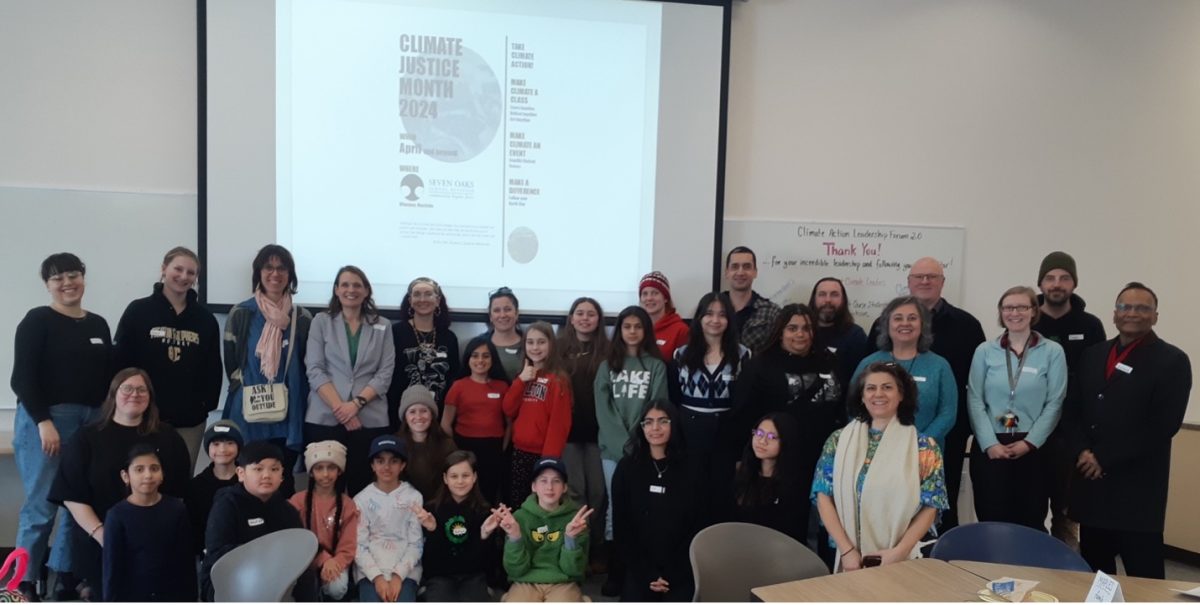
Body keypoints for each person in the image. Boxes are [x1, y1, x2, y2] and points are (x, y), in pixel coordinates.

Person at [1066, 282, 1192, 579]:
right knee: (1096, 573)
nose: (1132, 313)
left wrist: (1103, 458)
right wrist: (1083, 451)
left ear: (1155, 316)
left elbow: (1163, 425)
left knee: (1144, 576)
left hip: (1137, 491)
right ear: (1114, 314)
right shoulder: (1093, 355)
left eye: (1142, 308)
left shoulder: (1172, 361)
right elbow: (1072, 411)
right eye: (1125, 307)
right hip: (1092, 487)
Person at [10, 252, 113, 600]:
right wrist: (44, 422)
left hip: (91, 421)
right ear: (47, 285)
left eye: (73, 275)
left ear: (84, 276)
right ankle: (19, 585)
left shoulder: (99, 324)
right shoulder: (37, 320)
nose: (67, 283)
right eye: (58, 278)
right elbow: (22, 379)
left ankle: (64, 578)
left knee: (78, 504)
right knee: (41, 507)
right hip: (48, 421)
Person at [49, 368, 191, 599]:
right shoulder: (86, 437)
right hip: (100, 543)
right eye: (127, 388)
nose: (134, 394)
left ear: (150, 397)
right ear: (113, 394)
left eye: (141, 389)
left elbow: (178, 493)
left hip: (156, 547)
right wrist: (104, 536)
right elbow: (72, 495)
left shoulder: (168, 437)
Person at [865, 256, 984, 531]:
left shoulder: (966, 328)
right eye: (919, 277)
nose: (925, 281)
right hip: (879, 449)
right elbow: (859, 400)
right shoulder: (873, 354)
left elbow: (955, 402)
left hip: (936, 449)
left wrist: (919, 443)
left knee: (935, 516)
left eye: (932, 277)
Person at [812, 362, 948, 572]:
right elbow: (823, 497)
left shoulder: (924, 448)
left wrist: (900, 551)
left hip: (904, 559)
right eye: (871, 388)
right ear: (862, 396)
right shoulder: (838, 441)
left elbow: (932, 505)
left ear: (901, 395)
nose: (878, 394)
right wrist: (847, 551)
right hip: (851, 559)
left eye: (887, 387)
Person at [967, 286, 1066, 531]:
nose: (1015, 313)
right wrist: (989, 443)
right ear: (1001, 313)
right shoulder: (985, 351)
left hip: (1033, 448)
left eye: (1022, 307)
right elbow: (975, 399)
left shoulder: (1052, 352)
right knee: (991, 520)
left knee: (1030, 521)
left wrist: (1030, 442)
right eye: (1008, 307)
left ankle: (1026, 570)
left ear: (1033, 311)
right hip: (992, 447)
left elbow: (1055, 401)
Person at [113, 246, 222, 469]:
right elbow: (121, 361)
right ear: (164, 269)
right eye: (178, 269)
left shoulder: (205, 319)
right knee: (141, 477)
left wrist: (204, 405)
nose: (183, 277)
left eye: (191, 273)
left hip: (189, 421)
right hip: (143, 416)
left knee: (181, 479)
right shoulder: (138, 311)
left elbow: (212, 367)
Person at [222, 244, 312, 497]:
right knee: (248, 480)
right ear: (258, 273)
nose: (275, 273)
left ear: (290, 275)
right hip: (250, 411)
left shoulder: (302, 317)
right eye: (268, 267)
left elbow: (307, 364)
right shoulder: (241, 313)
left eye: (282, 268)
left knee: (282, 484)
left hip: (289, 412)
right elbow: (232, 362)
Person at [1032, 252, 1106, 548]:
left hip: (1073, 434)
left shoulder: (1090, 325)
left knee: (1067, 513)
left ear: (1074, 284)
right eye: (1050, 278)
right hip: (1034, 432)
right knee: (1032, 508)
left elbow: (1099, 379)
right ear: (1040, 283)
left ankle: (1066, 577)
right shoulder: (1027, 320)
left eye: (1064, 278)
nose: (1056, 284)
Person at [595, 305, 669, 595]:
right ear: (620, 331)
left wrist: (639, 440)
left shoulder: (656, 366)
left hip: (645, 448)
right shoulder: (607, 366)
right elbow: (604, 409)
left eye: (638, 326)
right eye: (627, 326)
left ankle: (640, 570)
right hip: (613, 451)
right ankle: (616, 570)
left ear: (646, 330)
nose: (633, 331)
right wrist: (622, 442)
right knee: (616, 508)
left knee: (644, 508)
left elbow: (657, 407)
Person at [306, 265, 396, 495]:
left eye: (357, 285)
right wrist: (341, 409)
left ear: (366, 291)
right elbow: (315, 369)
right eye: (345, 284)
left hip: (369, 419)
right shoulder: (321, 322)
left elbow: (385, 373)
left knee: (363, 489)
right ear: (336, 290)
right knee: (326, 488)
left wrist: (355, 405)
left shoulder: (383, 325)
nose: (351, 290)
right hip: (325, 417)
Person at [736, 305, 843, 496]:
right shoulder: (760, 366)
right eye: (792, 328)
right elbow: (743, 415)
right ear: (780, 333)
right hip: (777, 462)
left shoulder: (830, 360)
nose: (800, 334)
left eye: (806, 328)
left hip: (824, 456)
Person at [611, 400, 704, 602]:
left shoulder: (693, 469)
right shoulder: (626, 468)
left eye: (663, 421)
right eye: (649, 422)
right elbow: (622, 528)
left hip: (681, 569)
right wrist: (646, 573)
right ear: (641, 427)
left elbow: (698, 525)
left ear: (675, 425)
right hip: (641, 569)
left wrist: (674, 572)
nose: (655, 428)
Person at [200, 440, 313, 602]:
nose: (266, 475)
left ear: (282, 475)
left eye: (274, 469)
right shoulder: (226, 505)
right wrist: (265, 556)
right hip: (231, 582)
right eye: (258, 469)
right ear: (241, 473)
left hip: (276, 583)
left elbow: (300, 556)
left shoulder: (287, 510)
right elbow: (217, 554)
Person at [672, 292, 751, 515]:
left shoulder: (743, 355)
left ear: (729, 320)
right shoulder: (681, 355)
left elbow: (743, 406)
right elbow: (675, 399)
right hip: (690, 434)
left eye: (722, 315)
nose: (715, 320)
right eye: (709, 314)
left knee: (721, 499)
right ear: (699, 318)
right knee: (691, 498)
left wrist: (740, 453)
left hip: (726, 435)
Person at [851, 296, 957, 447]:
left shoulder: (939, 365)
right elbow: (853, 406)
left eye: (912, 318)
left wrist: (919, 441)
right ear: (887, 324)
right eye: (898, 318)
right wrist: (874, 439)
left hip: (924, 451)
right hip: (874, 448)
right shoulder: (868, 364)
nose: (905, 323)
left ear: (922, 324)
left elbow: (948, 413)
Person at [102, 443, 197, 602]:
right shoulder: (116, 515)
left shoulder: (177, 509)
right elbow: (112, 568)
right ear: (126, 476)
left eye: (154, 469)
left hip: (171, 595)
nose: (148, 475)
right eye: (139, 469)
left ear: (162, 475)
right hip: (132, 595)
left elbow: (186, 563)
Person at [555, 297, 609, 569]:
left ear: (599, 319)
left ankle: (597, 546)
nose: (585, 318)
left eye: (591, 314)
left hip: (600, 434)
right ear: (571, 318)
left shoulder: (609, 350)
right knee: (575, 492)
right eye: (580, 313)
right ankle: (579, 548)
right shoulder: (559, 349)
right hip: (569, 434)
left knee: (598, 493)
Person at [496, 458, 592, 602]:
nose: (549, 487)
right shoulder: (519, 517)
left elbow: (575, 571)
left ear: (565, 487)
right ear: (533, 486)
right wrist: (515, 537)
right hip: (525, 580)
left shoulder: (576, 520)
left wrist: (570, 539)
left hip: (563, 581)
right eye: (543, 481)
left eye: (556, 481)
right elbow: (515, 570)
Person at [412, 450, 499, 602]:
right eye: (454, 476)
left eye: (465, 475)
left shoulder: (485, 511)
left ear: (474, 477)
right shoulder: (432, 510)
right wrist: (433, 530)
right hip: (440, 576)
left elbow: (484, 562)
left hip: (473, 576)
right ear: (445, 478)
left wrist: (483, 535)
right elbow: (432, 562)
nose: (460, 481)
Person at [503, 322, 573, 508]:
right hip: (519, 452)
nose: (535, 347)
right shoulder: (523, 375)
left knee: (542, 505)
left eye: (541, 342)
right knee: (519, 503)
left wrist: (548, 462)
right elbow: (508, 409)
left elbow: (559, 425)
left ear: (551, 345)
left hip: (542, 455)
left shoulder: (557, 380)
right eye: (530, 342)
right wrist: (520, 381)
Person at [354, 435, 424, 602]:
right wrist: (377, 578)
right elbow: (359, 545)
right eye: (380, 461)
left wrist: (398, 576)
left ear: (402, 465)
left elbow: (416, 544)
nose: (386, 467)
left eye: (393, 461)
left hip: (405, 573)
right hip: (370, 573)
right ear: (372, 465)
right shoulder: (361, 500)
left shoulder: (414, 497)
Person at [443, 335, 511, 506]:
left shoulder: (502, 387)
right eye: (475, 355)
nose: (480, 360)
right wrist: (456, 449)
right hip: (465, 447)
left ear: (492, 359)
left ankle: (488, 530)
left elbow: (510, 423)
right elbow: (445, 423)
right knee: (464, 492)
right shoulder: (458, 386)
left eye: (486, 356)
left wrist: (502, 447)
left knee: (489, 493)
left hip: (493, 449)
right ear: (467, 359)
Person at [289, 440, 359, 601]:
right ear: (311, 472)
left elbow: (349, 543)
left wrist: (335, 562)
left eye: (331, 467)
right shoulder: (297, 501)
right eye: (319, 468)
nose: (326, 474)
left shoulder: (348, 504)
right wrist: (322, 559)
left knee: (337, 588)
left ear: (339, 471)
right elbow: (295, 538)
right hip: (304, 560)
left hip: (334, 562)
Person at [389, 277, 460, 427]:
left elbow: (454, 378)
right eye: (417, 294)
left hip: (438, 416)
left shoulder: (449, 337)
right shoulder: (394, 333)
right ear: (410, 300)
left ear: (438, 300)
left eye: (428, 294)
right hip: (401, 415)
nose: (422, 299)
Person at [735, 413, 809, 544]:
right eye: (759, 433)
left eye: (772, 437)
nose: (762, 441)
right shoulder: (742, 473)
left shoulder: (796, 484)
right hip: (741, 547)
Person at [186, 420, 243, 556]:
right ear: (208, 448)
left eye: (230, 443)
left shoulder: (249, 482)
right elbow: (193, 526)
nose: (222, 450)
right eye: (216, 444)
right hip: (208, 554)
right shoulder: (196, 486)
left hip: (244, 552)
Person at [396, 385, 458, 500]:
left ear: (432, 415)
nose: (418, 417)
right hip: (405, 507)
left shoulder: (447, 445)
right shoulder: (395, 446)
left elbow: (455, 481)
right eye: (412, 412)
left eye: (424, 411)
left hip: (439, 506)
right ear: (405, 416)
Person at [809, 277, 868, 395]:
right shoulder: (802, 333)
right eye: (822, 294)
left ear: (843, 300)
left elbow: (861, 381)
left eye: (834, 294)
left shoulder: (855, 335)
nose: (828, 300)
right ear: (814, 299)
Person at [722, 246, 781, 353]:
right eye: (735, 267)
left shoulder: (771, 312)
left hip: (759, 369)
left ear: (755, 272)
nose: (740, 272)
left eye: (747, 267)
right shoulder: (712, 309)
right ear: (727, 272)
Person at [639, 271, 691, 359]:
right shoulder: (636, 328)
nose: (649, 298)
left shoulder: (681, 330)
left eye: (655, 293)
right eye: (645, 294)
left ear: (666, 298)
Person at [486, 287, 525, 380]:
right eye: (496, 310)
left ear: (517, 313)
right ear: (490, 316)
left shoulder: (530, 345)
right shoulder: (479, 345)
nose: (502, 315)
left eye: (507, 309)